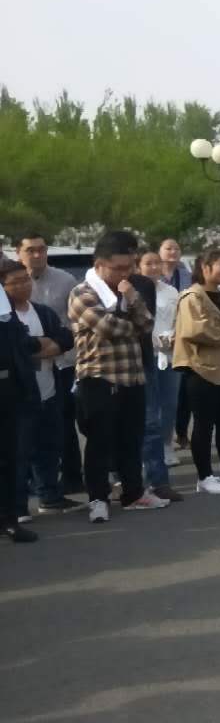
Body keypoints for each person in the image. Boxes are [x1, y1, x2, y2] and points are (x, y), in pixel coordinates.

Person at [69, 231, 170, 522]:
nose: (125, 274)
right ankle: (97, 498)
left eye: (129, 267)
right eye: (118, 268)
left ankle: (134, 493)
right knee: (100, 442)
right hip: (98, 377)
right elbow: (108, 328)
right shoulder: (82, 293)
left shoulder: (130, 290)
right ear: (99, 264)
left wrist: (132, 300)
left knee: (131, 439)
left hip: (133, 377)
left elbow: (147, 324)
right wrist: (133, 322)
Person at [3, 259, 77, 528]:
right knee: (19, 452)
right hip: (19, 395)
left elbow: (65, 337)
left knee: (49, 445)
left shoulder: (42, 312)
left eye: (26, 279)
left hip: (49, 389)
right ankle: (18, 507)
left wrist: (48, 346)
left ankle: (50, 496)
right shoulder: (5, 318)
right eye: (15, 282)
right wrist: (40, 346)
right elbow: (16, 348)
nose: (24, 286)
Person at [173, 249, 220, 496]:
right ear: (205, 267)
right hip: (201, 368)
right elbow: (196, 329)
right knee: (204, 424)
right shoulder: (192, 296)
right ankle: (204, 476)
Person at [16, 232, 83, 494]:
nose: (37, 255)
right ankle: (33, 482)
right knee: (26, 428)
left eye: (42, 249)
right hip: (23, 369)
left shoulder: (65, 280)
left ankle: (71, 477)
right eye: (30, 250)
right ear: (18, 254)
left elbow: (74, 323)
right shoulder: (7, 283)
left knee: (63, 424)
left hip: (62, 363)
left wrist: (54, 347)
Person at [136, 252, 185, 503]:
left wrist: (173, 335)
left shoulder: (170, 291)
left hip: (169, 351)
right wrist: (153, 339)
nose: (154, 267)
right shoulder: (135, 290)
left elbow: (179, 318)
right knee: (149, 412)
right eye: (148, 263)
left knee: (170, 402)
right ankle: (146, 462)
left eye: (157, 263)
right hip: (147, 353)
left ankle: (166, 444)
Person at [0, 276, 41, 543]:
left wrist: (32, 343)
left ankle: (8, 519)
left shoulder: (3, 300)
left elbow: (15, 336)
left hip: (7, 385)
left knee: (7, 456)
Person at [160, 239, 195, 449]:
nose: (173, 251)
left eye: (176, 248)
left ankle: (181, 433)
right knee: (164, 392)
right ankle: (163, 437)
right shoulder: (153, 275)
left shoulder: (185, 275)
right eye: (168, 248)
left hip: (184, 335)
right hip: (161, 339)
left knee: (184, 391)